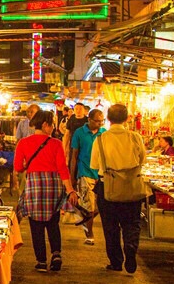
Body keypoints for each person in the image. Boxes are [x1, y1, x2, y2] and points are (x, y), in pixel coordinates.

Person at [14, 109, 78, 273]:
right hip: (53, 186)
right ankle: (56, 254)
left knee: (36, 225)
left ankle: (41, 261)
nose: (54, 128)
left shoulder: (23, 143)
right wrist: (70, 190)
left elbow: (18, 168)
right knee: (52, 222)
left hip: (34, 185)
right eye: (52, 125)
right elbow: (63, 169)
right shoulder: (56, 143)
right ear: (45, 125)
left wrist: (28, 165)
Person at [90, 104, 147, 274]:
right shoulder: (135, 137)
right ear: (127, 118)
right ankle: (130, 246)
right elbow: (142, 159)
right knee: (132, 223)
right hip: (132, 187)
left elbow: (94, 164)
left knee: (111, 227)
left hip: (108, 187)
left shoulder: (101, 139)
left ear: (107, 119)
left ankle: (116, 261)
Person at [69, 108, 106, 245]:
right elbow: (74, 156)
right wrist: (72, 176)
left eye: (101, 121)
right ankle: (89, 233)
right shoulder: (79, 133)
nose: (99, 124)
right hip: (85, 172)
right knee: (88, 206)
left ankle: (83, 218)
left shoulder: (104, 133)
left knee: (99, 206)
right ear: (89, 120)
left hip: (101, 174)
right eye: (97, 121)